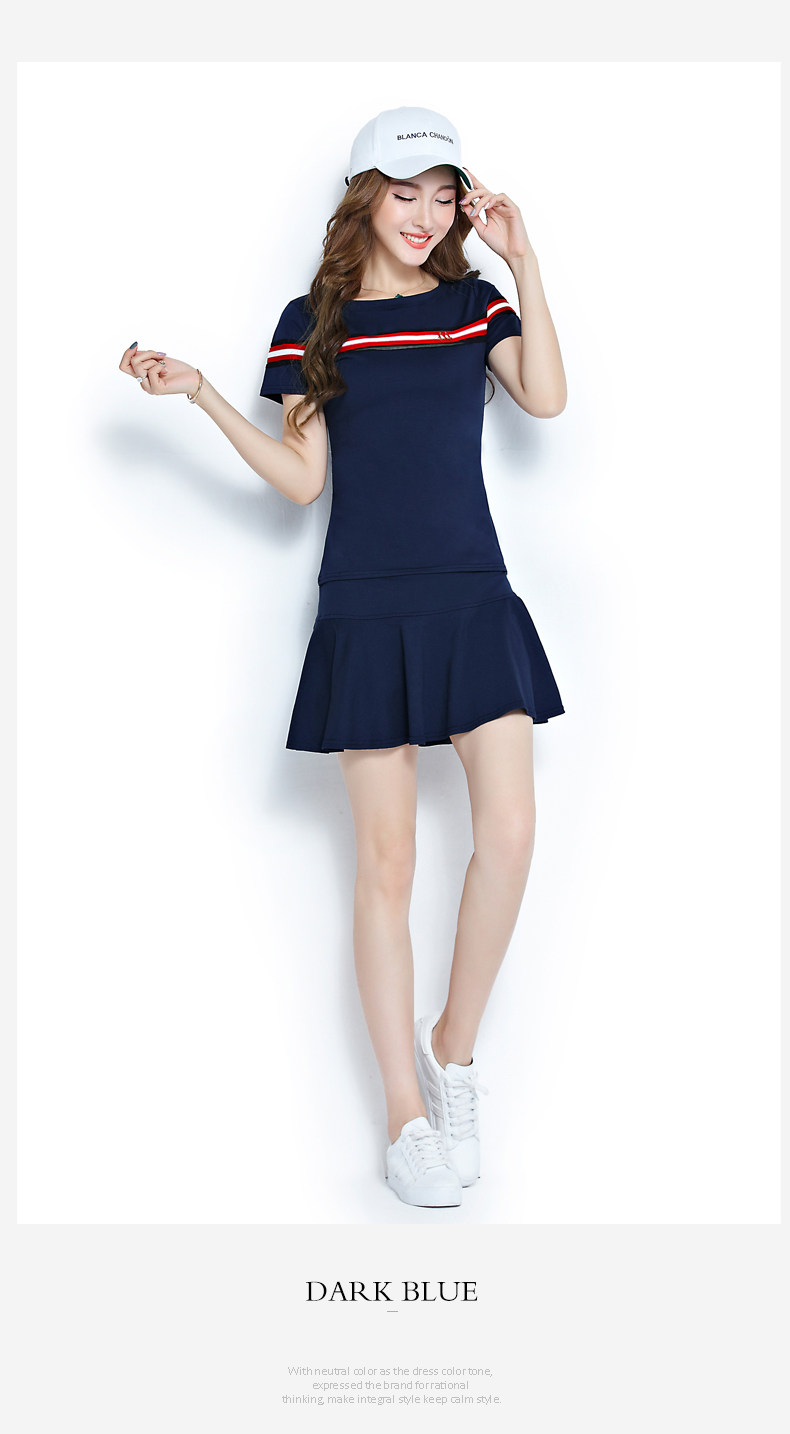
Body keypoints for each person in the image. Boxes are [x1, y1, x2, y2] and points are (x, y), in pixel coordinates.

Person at [118, 105, 567, 1210]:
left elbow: (547, 397)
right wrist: (204, 394)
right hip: (367, 606)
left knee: (511, 833)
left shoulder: (472, 304)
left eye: (444, 197)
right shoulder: (311, 322)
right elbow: (303, 480)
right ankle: (405, 1120)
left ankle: (451, 1051)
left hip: (471, 595)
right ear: (365, 195)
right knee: (386, 866)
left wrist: (525, 260)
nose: (426, 216)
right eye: (404, 193)